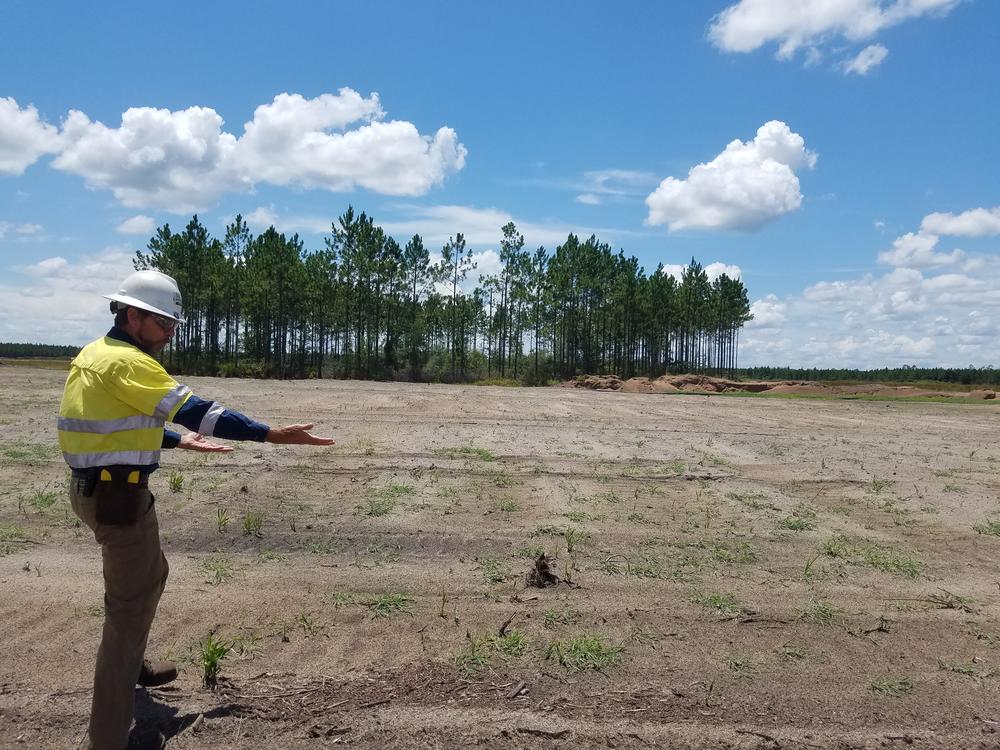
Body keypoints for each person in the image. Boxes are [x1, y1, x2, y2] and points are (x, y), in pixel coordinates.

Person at [58, 269, 334, 750]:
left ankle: (136, 667)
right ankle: (106, 739)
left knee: (150, 576)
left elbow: (109, 423)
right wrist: (269, 434)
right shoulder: (131, 364)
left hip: (95, 490)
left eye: (173, 326)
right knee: (127, 612)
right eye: (164, 324)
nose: (169, 333)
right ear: (133, 314)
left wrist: (173, 440)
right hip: (117, 499)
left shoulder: (96, 355)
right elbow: (203, 412)